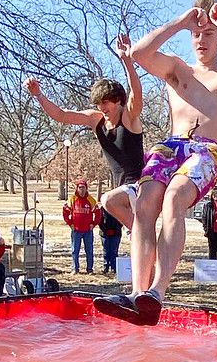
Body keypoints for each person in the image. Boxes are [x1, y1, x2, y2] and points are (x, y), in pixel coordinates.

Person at [94, 0, 217, 325]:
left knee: (174, 197)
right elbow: (139, 53)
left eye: (208, 34)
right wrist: (181, 22)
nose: (201, 40)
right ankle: (138, 294)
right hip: (170, 147)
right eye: (196, 34)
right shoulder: (178, 70)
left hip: (207, 150)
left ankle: (157, 291)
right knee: (145, 203)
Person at [23, 34, 143, 229]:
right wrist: (38, 95)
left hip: (141, 187)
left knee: (108, 200)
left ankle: (141, 232)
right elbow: (61, 115)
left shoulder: (128, 117)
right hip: (123, 191)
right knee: (135, 245)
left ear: (118, 100)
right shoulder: (95, 120)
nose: (102, 108)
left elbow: (136, 93)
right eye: (98, 104)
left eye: (106, 103)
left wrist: (127, 61)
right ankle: (141, 237)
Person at [63, 179, 101, 274]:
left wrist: (94, 223)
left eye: (83, 187)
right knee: (75, 250)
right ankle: (75, 269)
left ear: (86, 188)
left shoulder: (91, 200)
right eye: (80, 188)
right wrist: (70, 223)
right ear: (77, 188)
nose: (81, 190)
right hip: (76, 230)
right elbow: (65, 212)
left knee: (89, 250)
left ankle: (89, 269)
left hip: (88, 231)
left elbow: (98, 213)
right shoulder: (72, 199)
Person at [99, 207, 123, 274]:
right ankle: (105, 267)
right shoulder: (102, 209)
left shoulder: (119, 208)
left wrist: (115, 230)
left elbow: (121, 221)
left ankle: (114, 268)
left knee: (114, 251)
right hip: (104, 233)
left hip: (116, 233)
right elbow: (99, 221)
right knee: (106, 251)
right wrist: (105, 230)